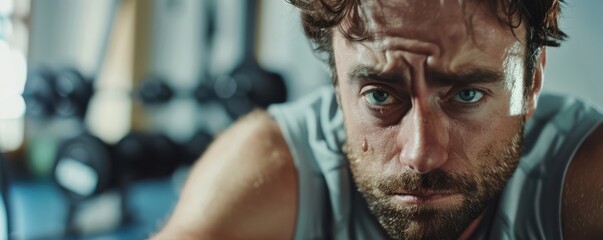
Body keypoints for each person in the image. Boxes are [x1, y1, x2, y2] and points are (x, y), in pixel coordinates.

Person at [153, 0, 603, 239]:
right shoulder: (271, 167)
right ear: (335, 83)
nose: (421, 153)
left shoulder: (585, 177)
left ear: (531, 81)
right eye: (380, 95)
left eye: (467, 94)